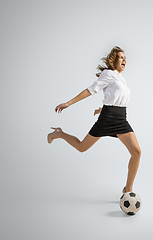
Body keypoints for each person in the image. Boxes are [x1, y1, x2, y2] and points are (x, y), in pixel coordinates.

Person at [47, 46, 141, 194]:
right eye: (121, 57)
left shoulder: (121, 78)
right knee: (82, 147)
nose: (124, 60)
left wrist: (102, 108)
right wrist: (68, 103)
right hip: (107, 119)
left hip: (121, 119)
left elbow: (116, 99)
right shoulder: (108, 73)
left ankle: (127, 189)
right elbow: (91, 90)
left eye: (125, 58)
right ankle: (59, 134)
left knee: (136, 152)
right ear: (114, 60)